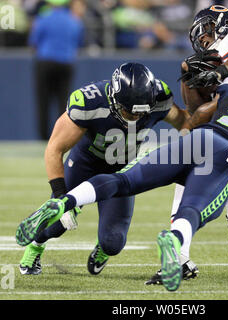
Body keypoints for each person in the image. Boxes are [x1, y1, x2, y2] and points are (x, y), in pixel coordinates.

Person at [16, 78, 228, 292]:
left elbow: (202, 111)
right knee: (192, 210)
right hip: (224, 158)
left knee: (124, 181)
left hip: (199, 138)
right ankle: (176, 243)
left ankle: (67, 202)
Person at [145, 4, 228, 285]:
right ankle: (181, 255)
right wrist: (197, 79)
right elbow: (198, 111)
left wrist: (221, 72)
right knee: (192, 153)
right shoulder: (210, 61)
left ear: (220, 24)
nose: (201, 38)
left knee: (197, 152)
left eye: (204, 30)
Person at [16, 62, 190, 275]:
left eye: (140, 112)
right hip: (86, 163)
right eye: (128, 110)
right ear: (115, 98)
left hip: (120, 172)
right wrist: (61, 197)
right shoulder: (90, 102)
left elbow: (185, 123)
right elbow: (54, 149)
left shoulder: (160, 99)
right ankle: (35, 247)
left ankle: (103, 250)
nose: (134, 117)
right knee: (56, 221)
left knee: (113, 242)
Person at [29, 0, 85, 140]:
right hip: (66, 63)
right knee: (63, 103)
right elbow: (79, 43)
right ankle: (61, 137)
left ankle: (43, 138)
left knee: (43, 102)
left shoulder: (43, 18)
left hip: (45, 62)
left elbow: (33, 42)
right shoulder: (74, 21)